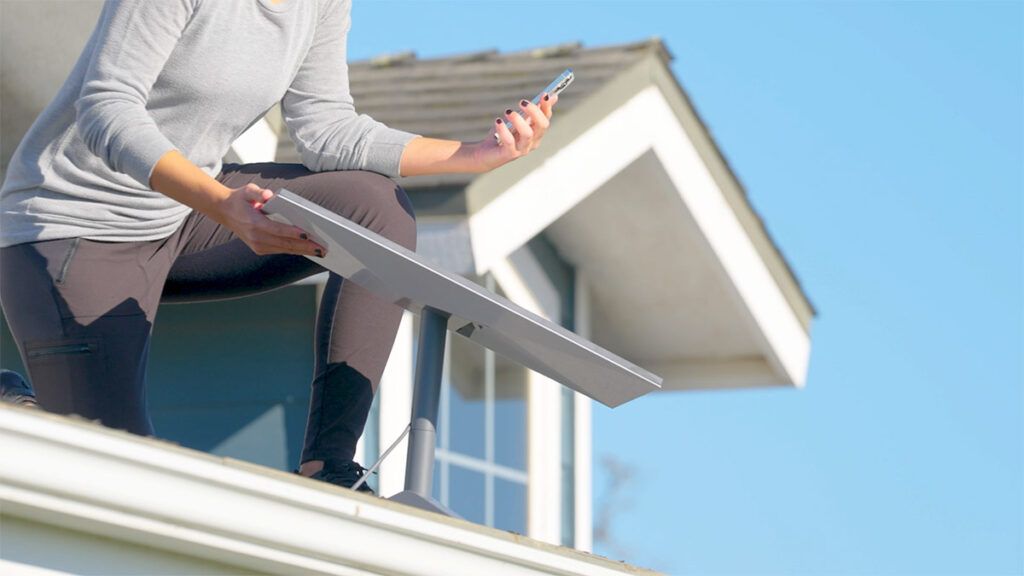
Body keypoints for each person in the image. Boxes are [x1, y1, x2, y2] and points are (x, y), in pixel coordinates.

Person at [0, 0, 557, 494]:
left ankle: (330, 469)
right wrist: (221, 203)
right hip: (68, 228)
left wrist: (475, 154)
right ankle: (18, 409)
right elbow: (107, 107)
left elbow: (327, 129)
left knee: (372, 207)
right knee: (123, 479)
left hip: (183, 219)